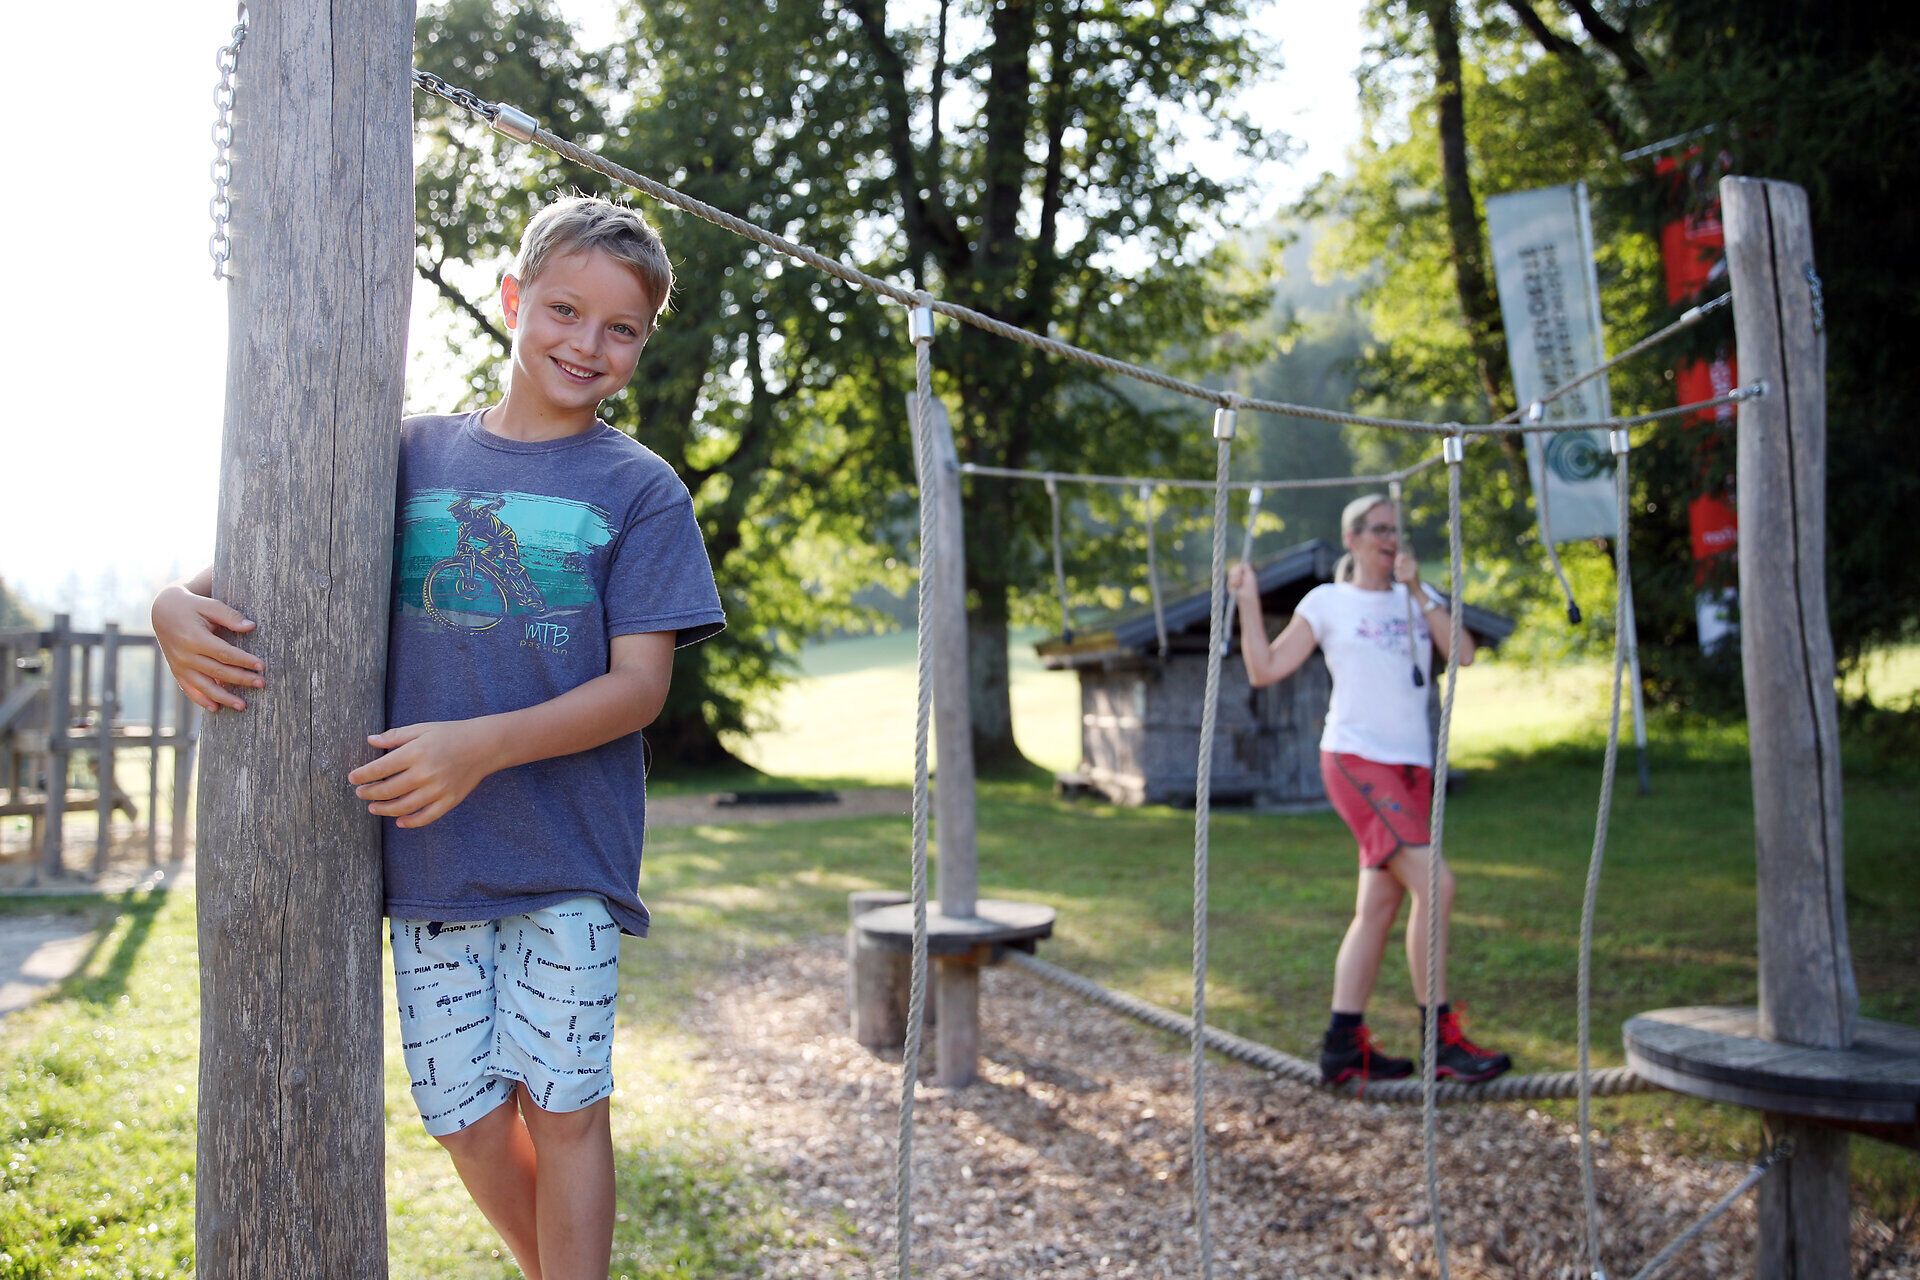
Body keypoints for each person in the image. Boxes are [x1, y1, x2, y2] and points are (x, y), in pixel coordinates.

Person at [152, 196, 725, 1279]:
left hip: (566, 856)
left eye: (620, 329)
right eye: (564, 309)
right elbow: (269, 563)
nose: (586, 343)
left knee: (565, 1108)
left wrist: (478, 746)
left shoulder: (641, 489)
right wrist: (173, 603)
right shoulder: (405, 455)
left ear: (644, 342)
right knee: (462, 1116)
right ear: (513, 300)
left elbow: (639, 687)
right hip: (427, 859)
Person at [1228, 494, 1510, 1087]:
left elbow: (1462, 653)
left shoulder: (1415, 599)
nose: (1391, 541)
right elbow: (1265, 668)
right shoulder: (1327, 601)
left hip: (1412, 768)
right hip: (1358, 760)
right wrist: (1249, 604)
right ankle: (1441, 1040)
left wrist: (1421, 590)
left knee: (1379, 906)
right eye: (1379, 531)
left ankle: (1342, 1045)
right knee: (1437, 884)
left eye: (1396, 532)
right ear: (1352, 539)